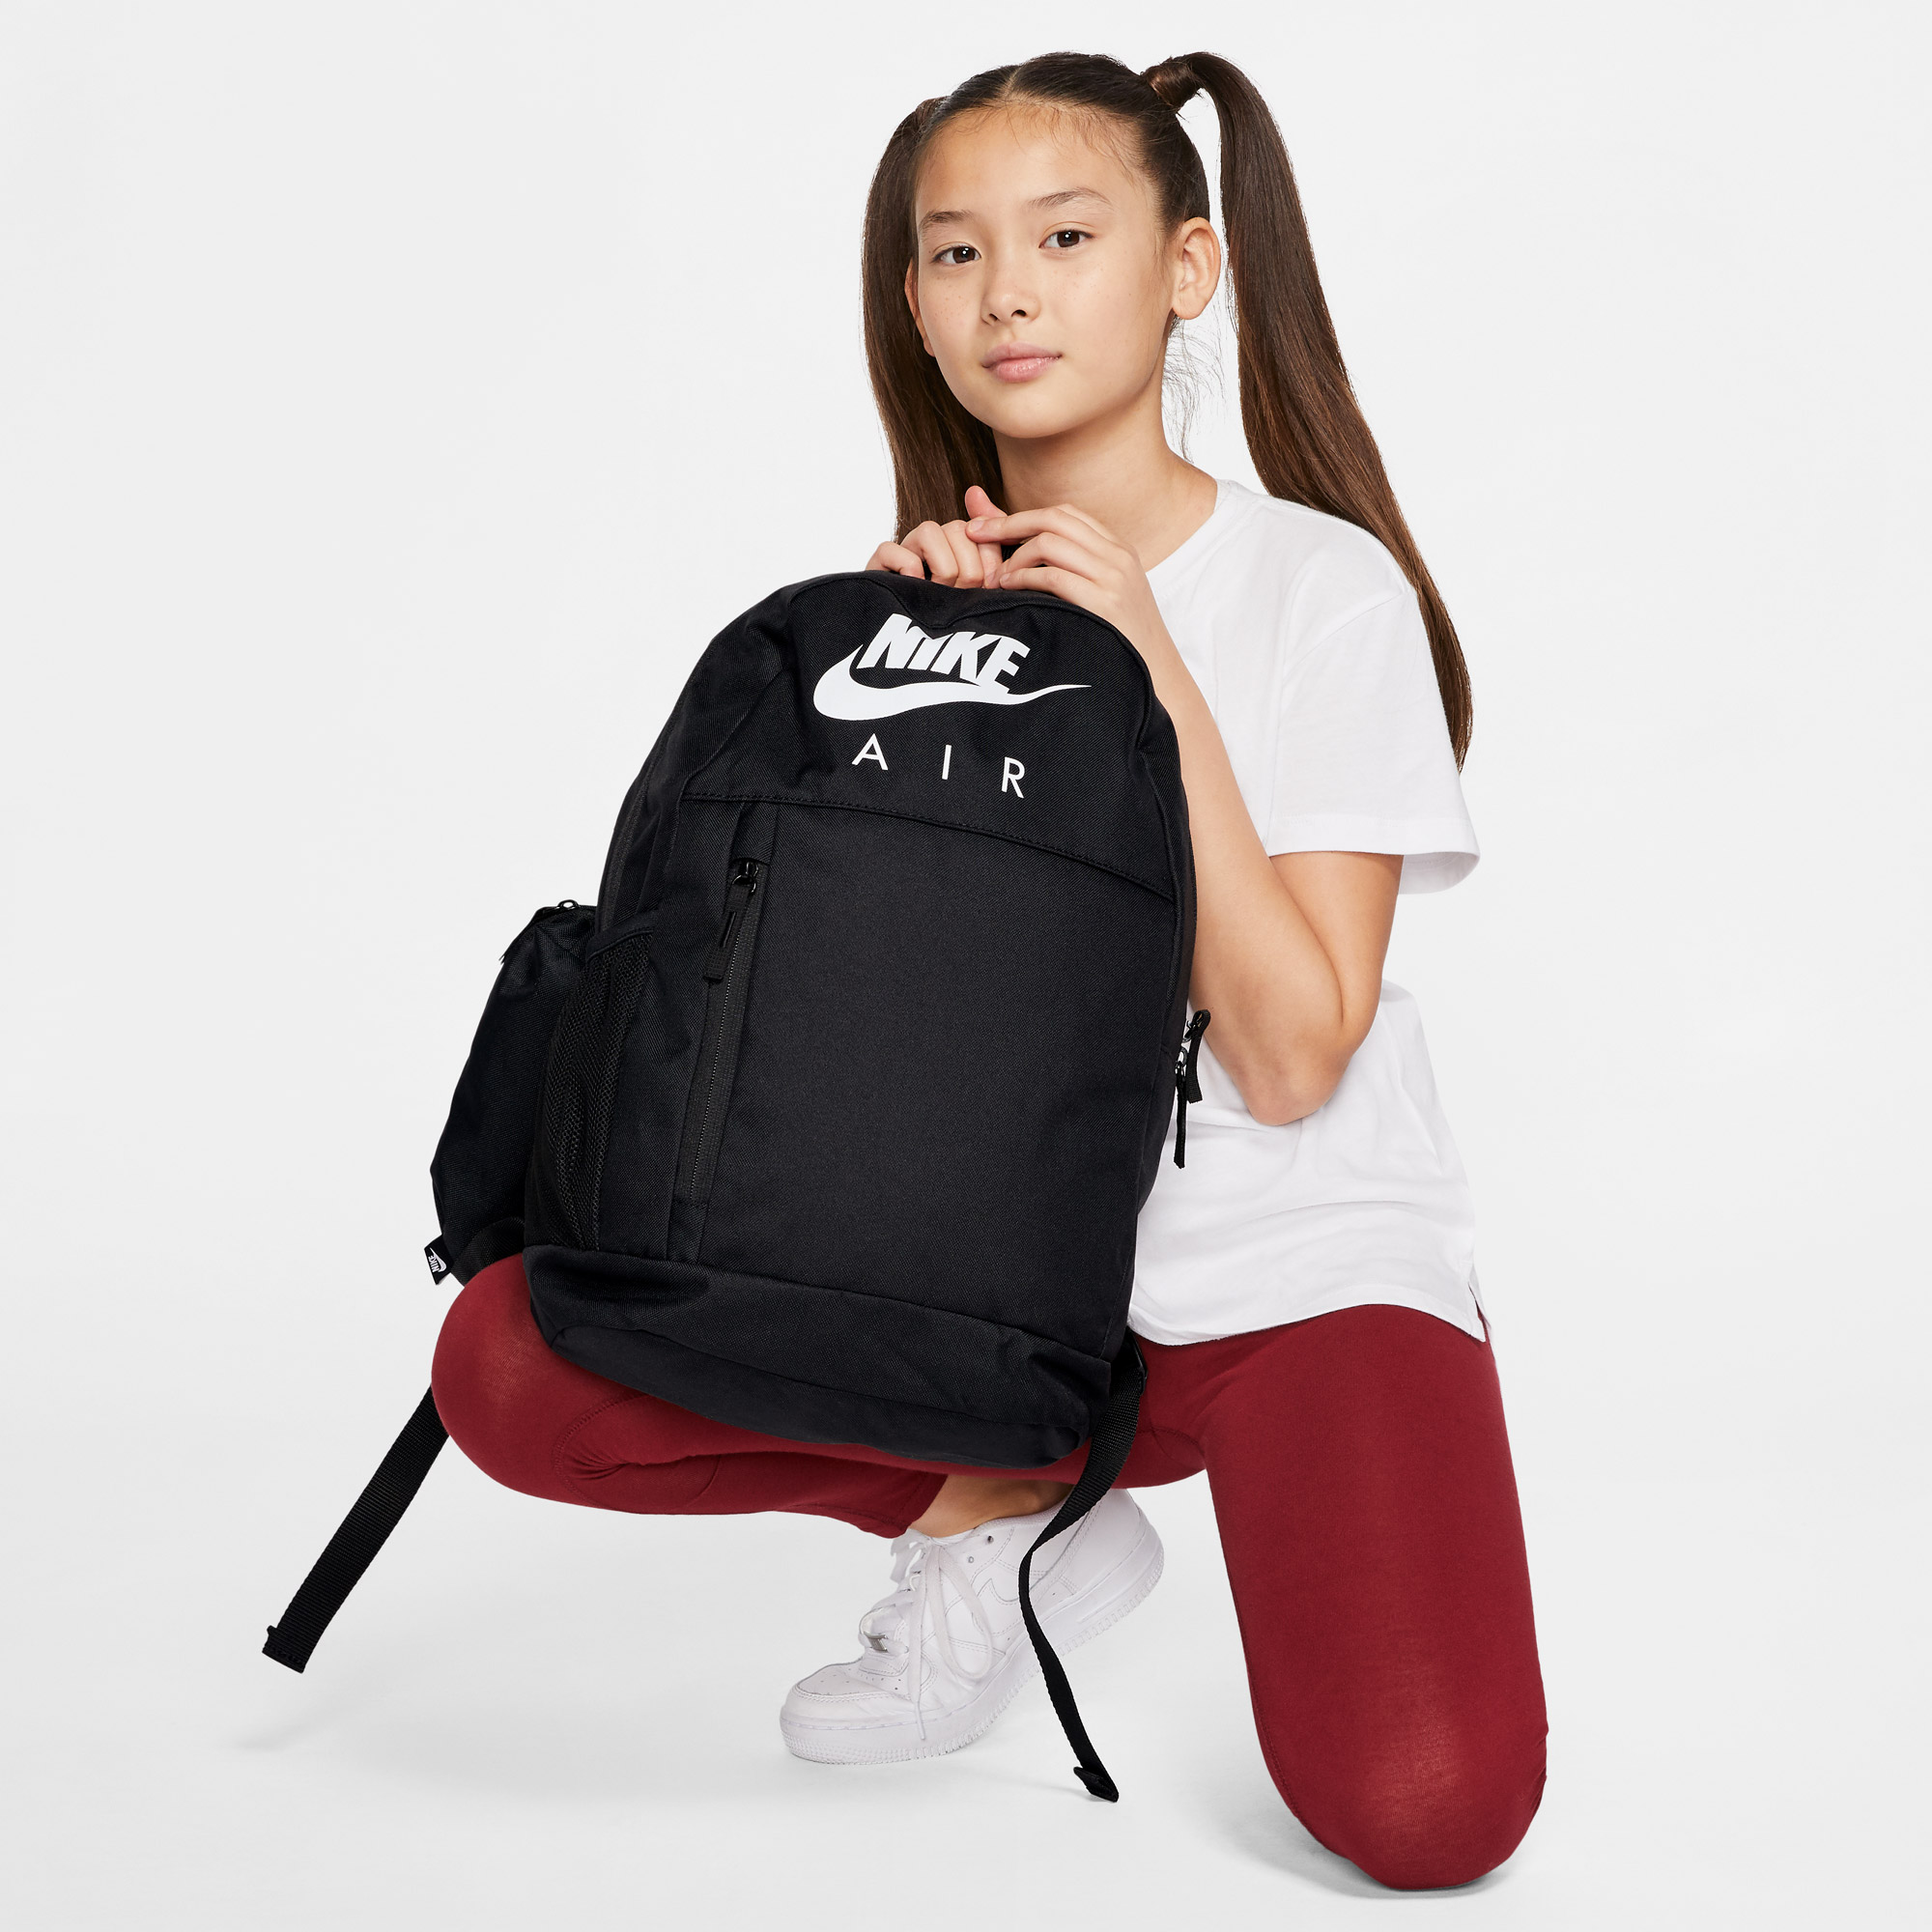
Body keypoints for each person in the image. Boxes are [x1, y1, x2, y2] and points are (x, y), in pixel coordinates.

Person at [430, 49, 1546, 1891]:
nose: (1008, 291)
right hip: (1015, 1306)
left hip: (1296, 1274)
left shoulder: (1322, 591)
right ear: (915, 304)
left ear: (1188, 269)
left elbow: (1291, 1054)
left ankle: (1035, 1491)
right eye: (957, 252)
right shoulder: (890, 622)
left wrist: (1135, 668)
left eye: (1066, 237)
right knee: (511, 1362)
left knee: (1428, 1813)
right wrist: (907, 719)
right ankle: (1010, 1509)